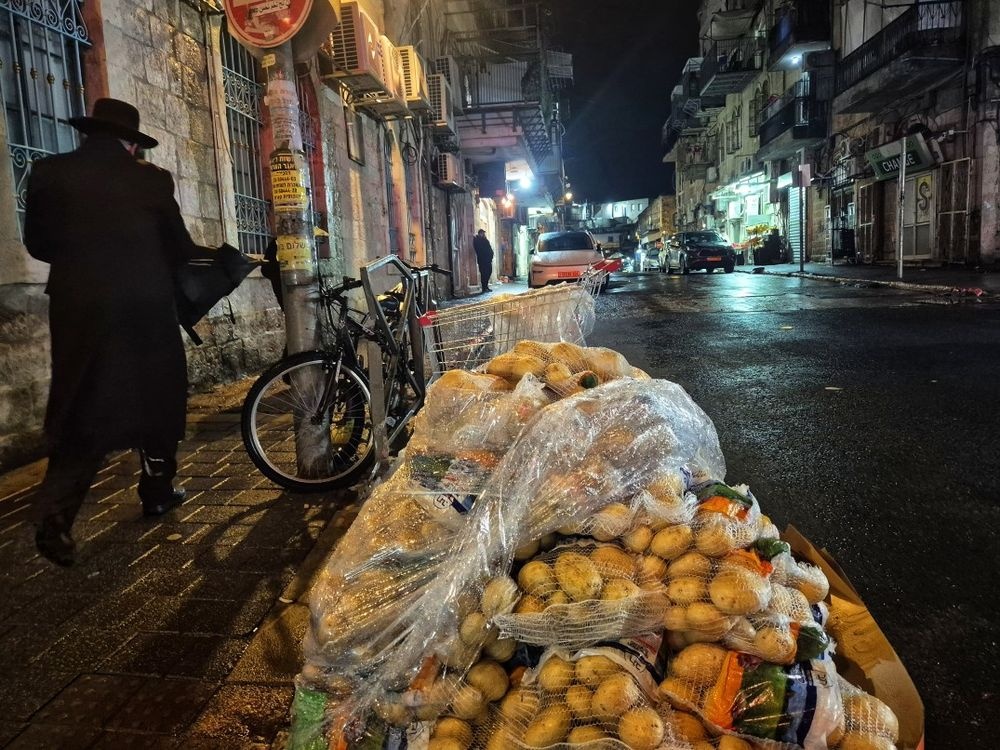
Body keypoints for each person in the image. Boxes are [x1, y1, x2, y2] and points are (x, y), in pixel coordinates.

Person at [24, 98, 201, 566]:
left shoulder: (48, 172)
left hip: (77, 307)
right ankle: (159, 491)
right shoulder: (151, 180)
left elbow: (38, 244)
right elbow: (180, 249)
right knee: (157, 396)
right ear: (130, 143)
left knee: (83, 401)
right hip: (144, 308)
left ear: (89, 133)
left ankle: (56, 513)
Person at [473, 228, 494, 293]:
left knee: (489, 272)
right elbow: (479, 249)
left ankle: (486, 286)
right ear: (479, 233)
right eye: (482, 233)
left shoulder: (485, 240)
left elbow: (488, 247)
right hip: (482, 260)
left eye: (484, 233)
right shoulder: (477, 240)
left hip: (488, 260)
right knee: (483, 274)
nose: (483, 234)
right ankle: (484, 288)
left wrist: (490, 255)